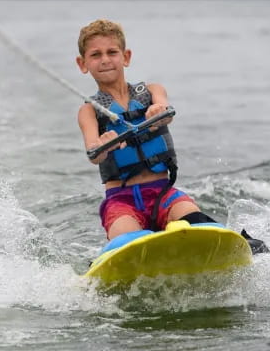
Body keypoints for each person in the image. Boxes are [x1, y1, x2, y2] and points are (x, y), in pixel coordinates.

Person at [76, 19, 219, 242]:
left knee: (200, 226)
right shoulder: (89, 111)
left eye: (112, 52)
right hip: (120, 201)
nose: (105, 60)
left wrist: (157, 110)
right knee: (127, 239)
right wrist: (104, 144)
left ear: (126, 57)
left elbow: (165, 111)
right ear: (82, 64)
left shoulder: (153, 91)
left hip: (163, 194)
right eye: (95, 55)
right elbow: (93, 152)